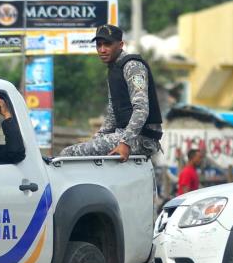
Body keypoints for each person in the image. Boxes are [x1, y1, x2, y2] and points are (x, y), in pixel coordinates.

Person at [60, 24, 163, 161]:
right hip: (123, 135)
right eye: (99, 45)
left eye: (107, 44)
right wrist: (96, 138)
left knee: (67, 154)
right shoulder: (114, 69)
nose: (102, 50)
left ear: (120, 45)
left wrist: (125, 142)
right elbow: (113, 114)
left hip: (142, 138)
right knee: (82, 150)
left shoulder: (132, 66)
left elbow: (141, 109)